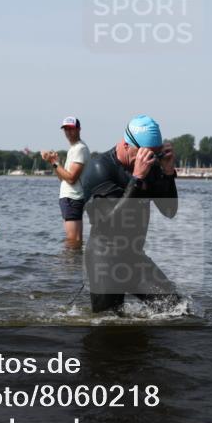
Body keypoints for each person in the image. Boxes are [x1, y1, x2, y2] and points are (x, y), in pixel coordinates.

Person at [80, 114, 180, 314]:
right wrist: (136, 178)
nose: (149, 160)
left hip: (134, 258)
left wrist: (168, 173)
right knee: (108, 325)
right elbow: (109, 223)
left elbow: (169, 211)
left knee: (176, 310)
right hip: (104, 259)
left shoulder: (148, 166)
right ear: (126, 145)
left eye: (154, 155)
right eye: (144, 154)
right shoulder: (100, 169)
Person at [41, 116, 90, 247]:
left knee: (73, 240)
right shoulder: (74, 149)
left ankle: (69, 266)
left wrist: (53, 162)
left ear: (79, 129)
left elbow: (71, 178)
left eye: (71, 129)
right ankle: (75, 266)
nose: (68, 132)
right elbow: (62, 178)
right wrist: (55, 163)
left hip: (72, 198)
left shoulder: (80, 148)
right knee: (76, 240)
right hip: (71, 198)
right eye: (66, 129)